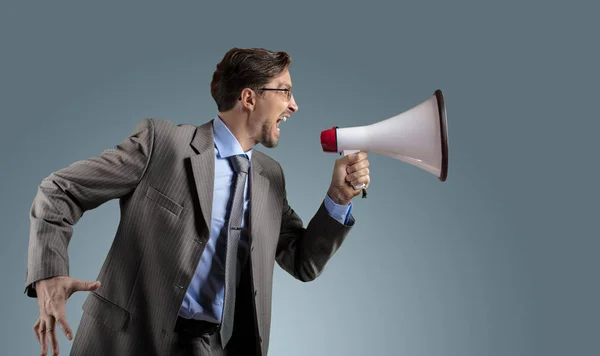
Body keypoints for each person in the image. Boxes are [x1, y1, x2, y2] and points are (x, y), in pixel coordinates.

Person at [25, 47, 371, 356]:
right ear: (249, 98)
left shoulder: (270, 178)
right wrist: (50, 274)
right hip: (128, 342)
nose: (294, 105)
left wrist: (338, 198)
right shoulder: (163, 145)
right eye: (286, 92)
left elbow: (302, 261)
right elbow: (60, 190)